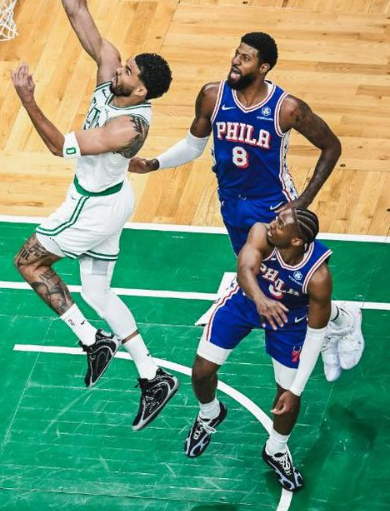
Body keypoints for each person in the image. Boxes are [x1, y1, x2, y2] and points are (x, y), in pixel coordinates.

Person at [129, 32, 363, 379]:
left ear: (263, 67)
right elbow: (194, 145)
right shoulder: (213, 96)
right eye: (236, 54)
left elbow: (332, 147)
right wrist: (155, 164)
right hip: (232, 206)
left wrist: (301, 202)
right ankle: (334, 322)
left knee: (294, 280)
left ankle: (341, 322)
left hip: (273, 207)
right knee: (267, 279)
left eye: (245, 57)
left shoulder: (287, 108)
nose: (236, 61)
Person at [10, 0, 178, 431]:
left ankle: (92, 340)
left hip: (91, 207)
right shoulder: (112, 77)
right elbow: (78, 11)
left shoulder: (127, 127)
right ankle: (153, 376)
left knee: (28, 263)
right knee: (99, 292)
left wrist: (28, 99)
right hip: (115, 198)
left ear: (140, 91)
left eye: (127, 71)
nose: (118, 68)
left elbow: (58, 146)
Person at [184, 207, 344, 491]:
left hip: (290, 322)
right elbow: (244, 270)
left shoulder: (318, 277)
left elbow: (315, 335)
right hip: (245, 303)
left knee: (287, 395)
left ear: (296, 240)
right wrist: (260, 300)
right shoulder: (261, 233)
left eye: (280, 224)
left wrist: (296, 391)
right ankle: (209, 413)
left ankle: (276, 449)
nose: (272, 224)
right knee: (201, 372)